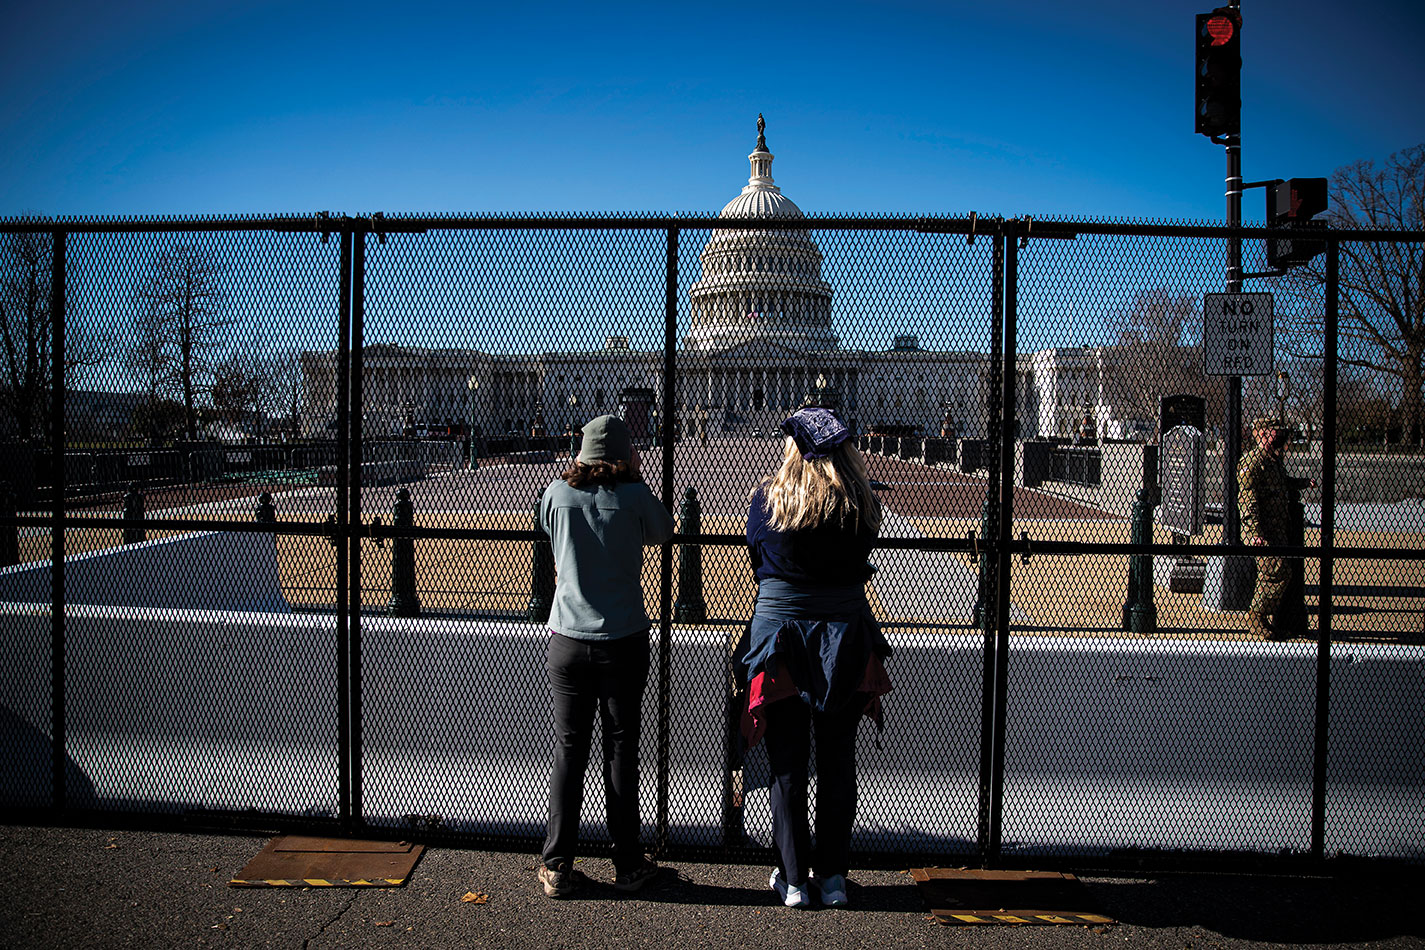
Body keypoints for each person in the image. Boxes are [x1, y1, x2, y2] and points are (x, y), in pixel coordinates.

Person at [737, 406, 892, 909]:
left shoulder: (766, 502)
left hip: (781, 638)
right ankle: (832, 878)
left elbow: (759, 558)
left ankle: (793, 879)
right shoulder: (863, 505)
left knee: (787, 762)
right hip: (844, 636)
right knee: (836, 760)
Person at [537, 414, 674, 898]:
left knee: (569, 750)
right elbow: (663, 531)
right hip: (623, 638)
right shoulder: (634, 497)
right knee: (621, 750)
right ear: (623, 455)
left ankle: (557, 863)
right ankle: (628, 862)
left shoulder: (556, 494)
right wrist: (634, 478)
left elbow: (553, 540)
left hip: (568, 639)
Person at [1238, 417, 1316, 640]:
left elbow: (1281, 483)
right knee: (1275, 571)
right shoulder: (1252, 463)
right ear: (1262, 434)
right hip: (1262, 532)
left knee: (1274, 573)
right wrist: (1254, 533)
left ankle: (1263, 620)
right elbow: (1247, 501)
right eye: (1275, 431)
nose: (1280, 436)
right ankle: (1256, 618)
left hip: (1278, 528)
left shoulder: (1273, 461)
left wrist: (1301, 483)